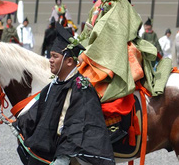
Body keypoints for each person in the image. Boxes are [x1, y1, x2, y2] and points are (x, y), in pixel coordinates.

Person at [15, 23, 114, 165]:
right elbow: (37, 113)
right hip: (47, 150)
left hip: (67, 156)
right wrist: (16, 124)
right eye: (50, 56)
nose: (50, 60)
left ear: (69, 61)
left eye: (55, 56)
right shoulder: (54, 85)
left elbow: (78, 126)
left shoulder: (81, 88)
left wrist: (64, 157)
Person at [76, 0, 172, 103]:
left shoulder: (120, 0)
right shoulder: (101, 2)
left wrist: (88, 52)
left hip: (114, 45)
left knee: (94, 79)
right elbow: (90, 27)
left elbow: (111, 29)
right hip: (96, 45)